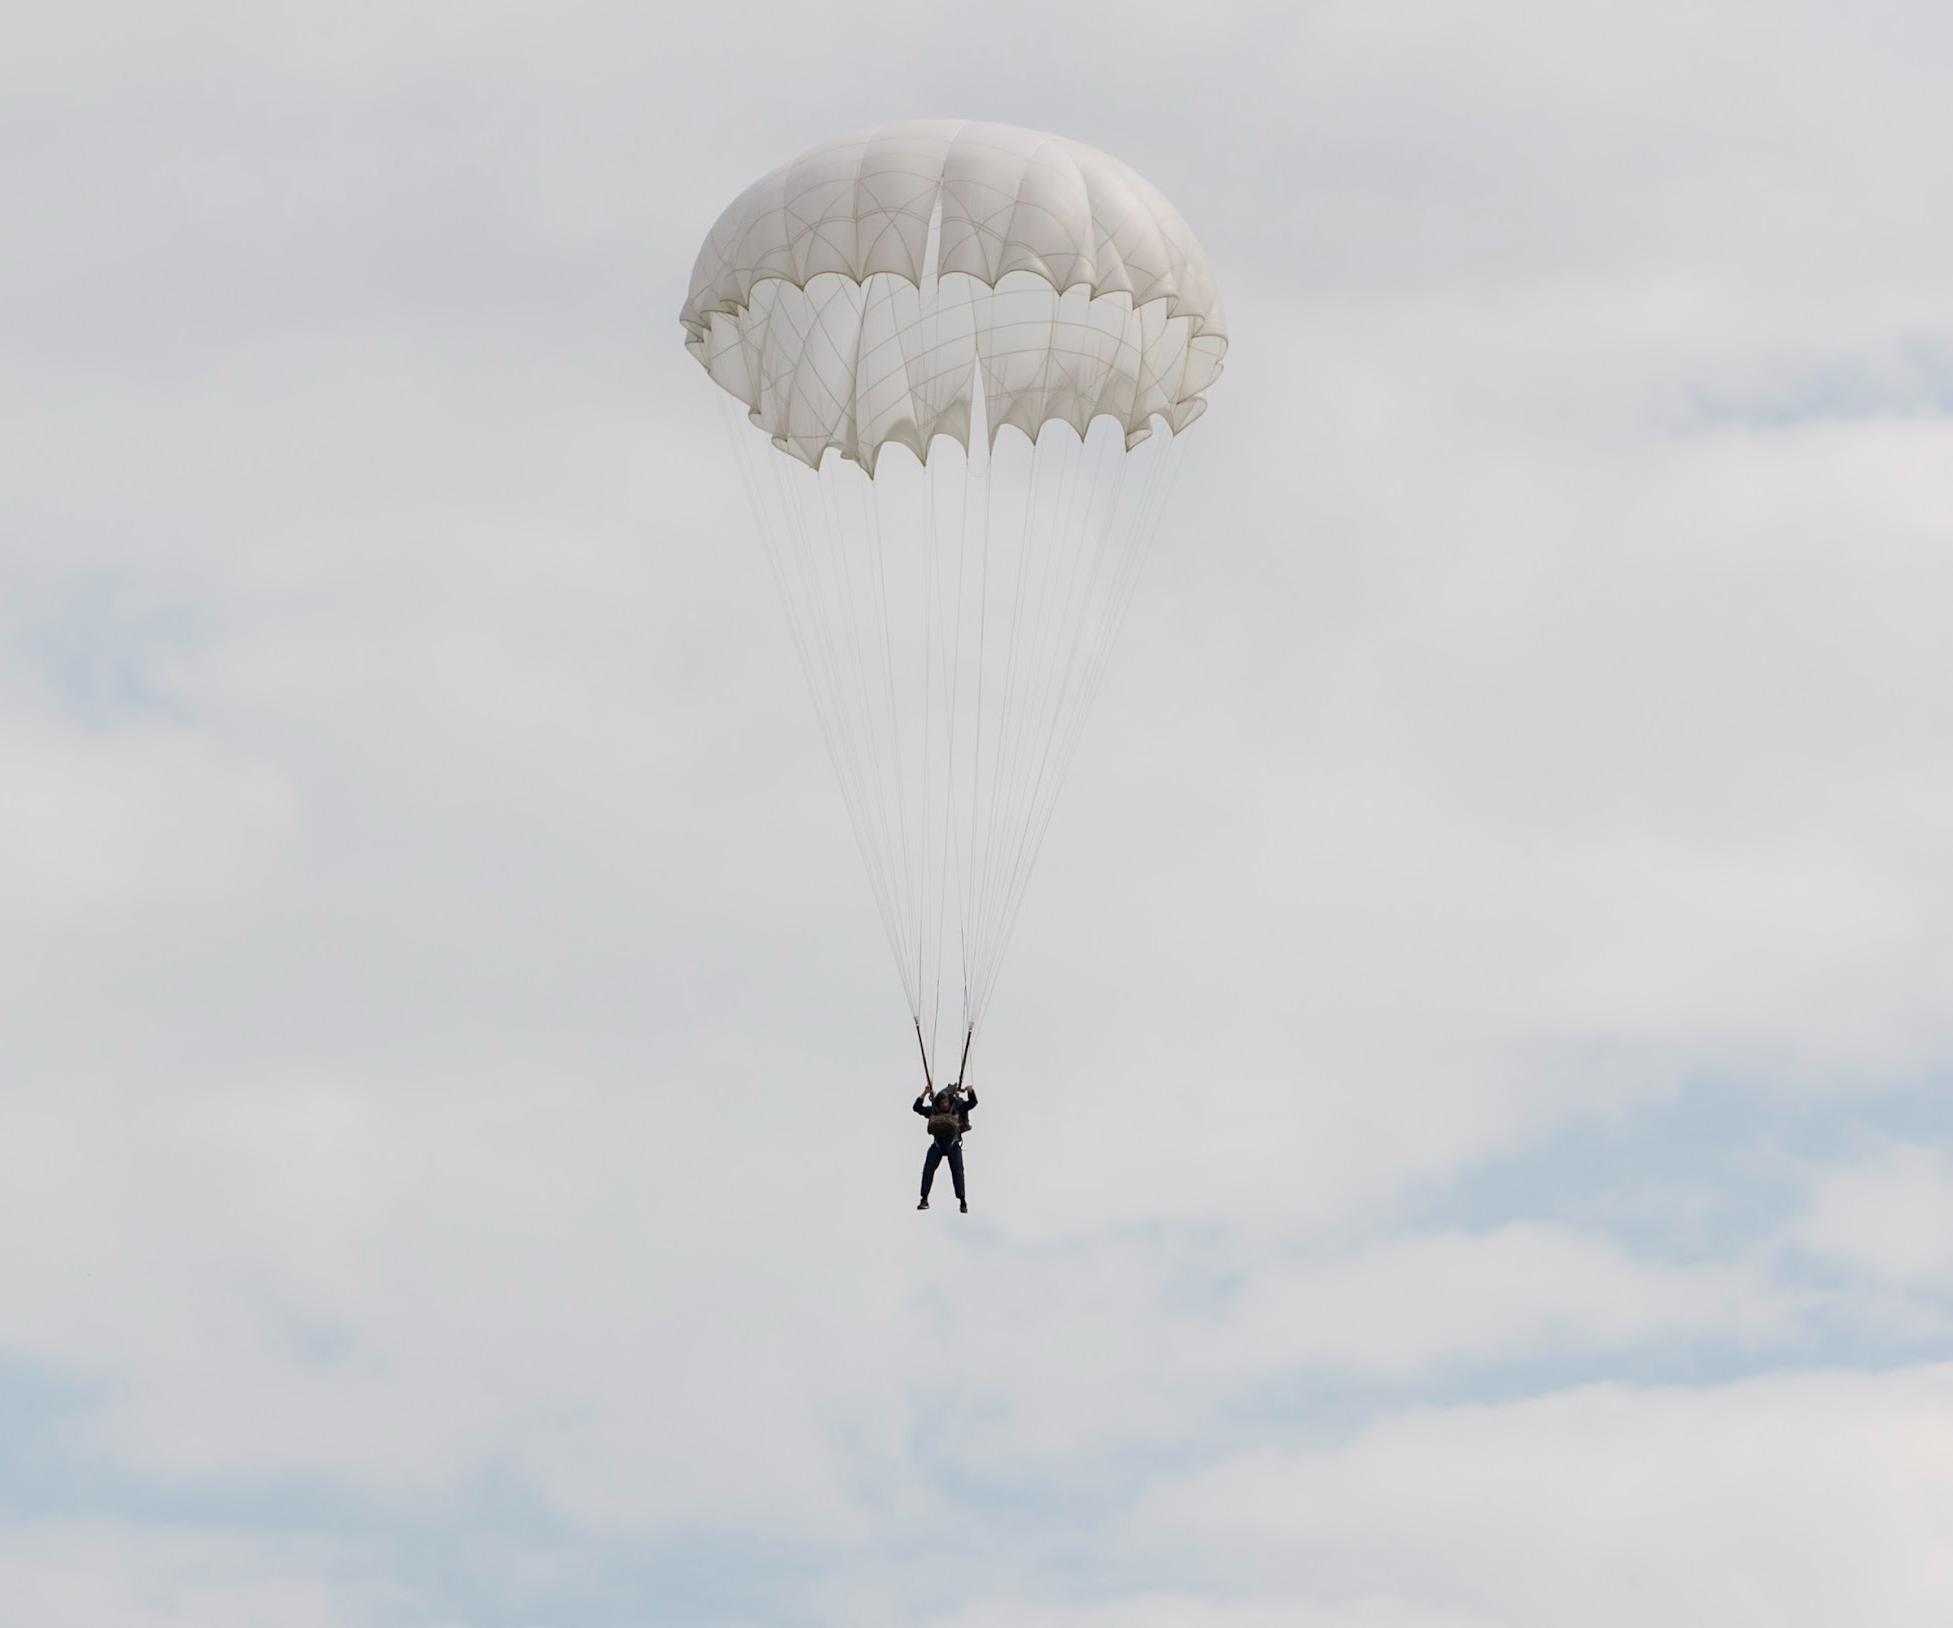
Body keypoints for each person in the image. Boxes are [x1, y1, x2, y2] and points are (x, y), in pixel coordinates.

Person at [913, 1081, 977, 1211]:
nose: (944, 1105)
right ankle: (924, 1199)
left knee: (957, 1172)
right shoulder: (933, 1111)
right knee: (928, 1170)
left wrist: (970, 1091)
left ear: (949, 1102)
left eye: (946, 1102)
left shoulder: (957, 1108)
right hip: (937, 1146)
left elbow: (972, 1103)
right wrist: (924, 1093)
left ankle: (962, 1200)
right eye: (942, 1103)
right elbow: (917, 1108)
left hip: (953, 1145)